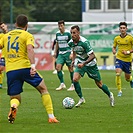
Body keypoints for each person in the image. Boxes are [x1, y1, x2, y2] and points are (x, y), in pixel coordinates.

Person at [0, 14, 59, 124]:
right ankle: (51, 117)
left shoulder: (6, 36)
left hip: (11, 71)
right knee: (43, 89)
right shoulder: (27, 35)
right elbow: (30, 49)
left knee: (15, 97)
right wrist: (33, 65)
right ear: (26, 25)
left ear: (16, 24)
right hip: (25, 68)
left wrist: (4, 33)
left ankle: (13, 106)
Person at [68, 25, 114, 107]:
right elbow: (74, 50)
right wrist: (73, 60)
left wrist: (84, 63)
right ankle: (81, 98)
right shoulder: (71, 42)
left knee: (99, 84)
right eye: (71, 33)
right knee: (75, 79)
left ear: (78, 33)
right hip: (80, 62)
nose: (72, 35)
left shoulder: (84, 42)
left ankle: (110, 95)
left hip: (90, 64)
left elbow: (92, 55)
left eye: (74, 33)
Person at [112, 22, 133, 97]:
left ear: (126, 29)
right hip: (119, 58)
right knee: (117, 73)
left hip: (128, 60)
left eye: (124, 28)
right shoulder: (116, 38)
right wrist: (114, 50)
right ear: (119, 29)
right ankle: (119, 91)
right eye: (121, 28)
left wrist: (127, 52)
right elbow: (114, 47)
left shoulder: (130, 38)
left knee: (127, 78)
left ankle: (130, 80)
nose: (122, 29)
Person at [54, 20, 75, 91]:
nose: (60, 27)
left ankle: (73, 84)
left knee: (70, 68)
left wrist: (72, 52)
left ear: (64, 26)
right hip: (61, 53)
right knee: (58, 67)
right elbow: (57, 43)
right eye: (59, 26)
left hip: (68, 53)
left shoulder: (68, 33)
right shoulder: (57, 34)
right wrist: (55, 52)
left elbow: (72, 42)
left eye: (61, 26)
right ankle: (62, 84)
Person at [0, 22, 8, 89]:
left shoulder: (11, 34)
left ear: (6, 26)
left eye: (3, 26)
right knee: (0, 69)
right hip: (4, 55)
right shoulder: (1, 35)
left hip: (12, 55)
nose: (3, 28)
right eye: (1, 27)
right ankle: (0, 83)